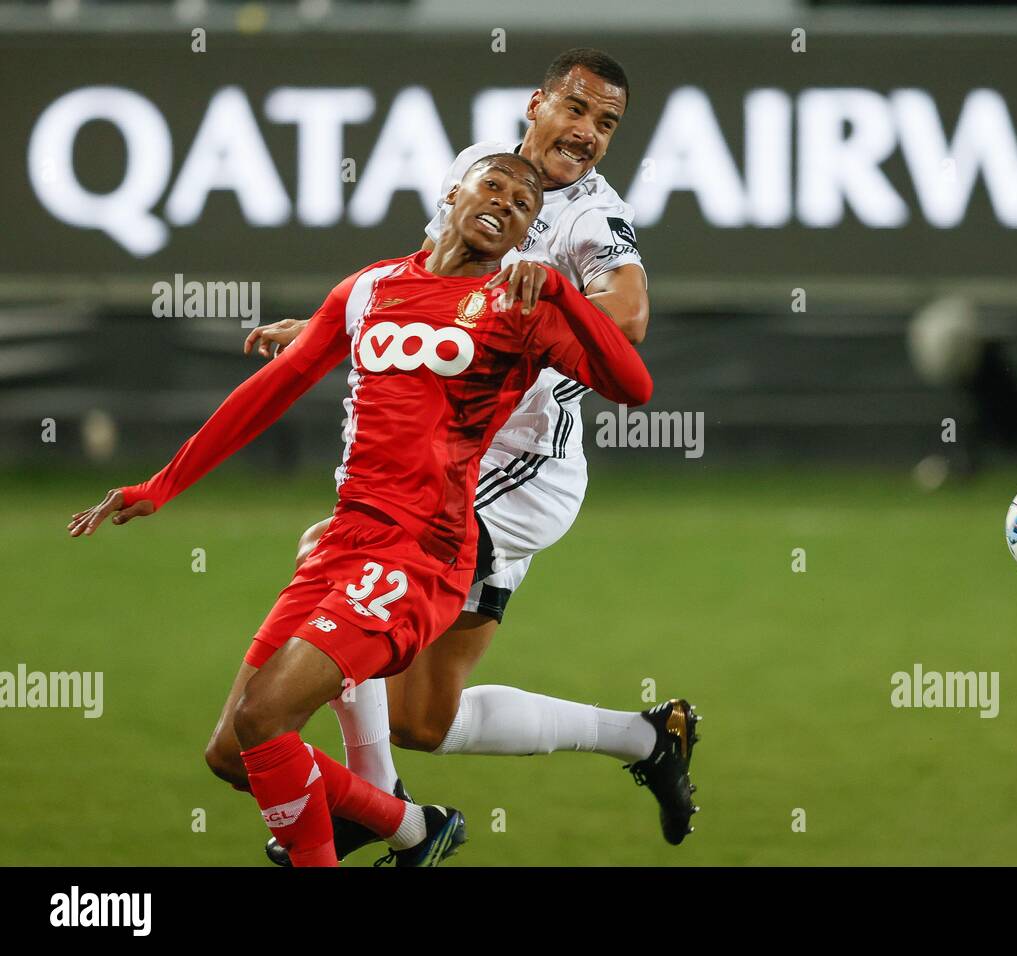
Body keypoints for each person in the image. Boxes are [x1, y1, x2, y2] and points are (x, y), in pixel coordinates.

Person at [69, 153, 653, 867]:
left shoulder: (519, 308)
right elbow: (271, 389)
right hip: (347, 540)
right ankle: (411, 827)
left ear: (528, 235)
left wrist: (563, 294)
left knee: (265, 720)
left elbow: (633, 387)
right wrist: (160, 485)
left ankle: (396, 818)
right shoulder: (371, 287)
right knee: (231, 753)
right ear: (453, 192)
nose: (506, 201)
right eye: (493, 184)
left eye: (525, 204)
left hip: (422, 554)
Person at [247, 48, 700, 864]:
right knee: (425, 718)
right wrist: (328, 331)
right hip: (456, 458)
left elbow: (628, 318)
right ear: (537, 104)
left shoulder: (594, 218)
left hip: (517, 475)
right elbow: (427, 278)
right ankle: (647, 738)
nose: (588, 132)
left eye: (607, 124)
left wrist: (559, 292)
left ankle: (378, 804)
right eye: (577, 109)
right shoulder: (479, 173)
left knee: (336, 553)